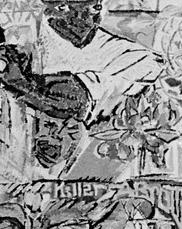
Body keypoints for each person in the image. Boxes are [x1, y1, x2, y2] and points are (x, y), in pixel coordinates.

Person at [0, 0, 164, 176]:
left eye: (95, 5)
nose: (94, 12)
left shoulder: (137, 58)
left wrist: (20, 82)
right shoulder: (23, 39)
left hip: (91, 175)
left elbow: (75, 98)